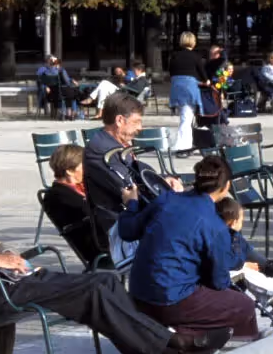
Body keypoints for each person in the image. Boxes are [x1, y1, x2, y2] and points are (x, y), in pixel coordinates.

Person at [0, 164, 224, 354]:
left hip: (7, 282)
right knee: (93, 288)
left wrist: (5, 253)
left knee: (104, 280)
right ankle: (171, 345)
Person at [117, 156, 259, 340]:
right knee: (244, 305)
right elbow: (218, 282)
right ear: (227, 186)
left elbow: (127, 231)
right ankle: (214, 341)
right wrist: (235, 241)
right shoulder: (215, 225)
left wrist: (132, 203)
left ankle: (181, 332)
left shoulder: (166, 200)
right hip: (169, 300)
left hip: (138, 293)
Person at [83, 92, 181, 246]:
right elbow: (128, 188)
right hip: (118, 224)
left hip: (132, 215)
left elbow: (135, 176)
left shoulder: (113, 144)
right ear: (120, 120)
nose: (140, 128)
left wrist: (162, 181)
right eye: (136, 122)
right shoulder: (101, 150)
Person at [216, 196, 273, 321]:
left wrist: (269, 266)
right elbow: (224, 260)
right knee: (245, 272)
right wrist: (243, 264)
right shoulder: (221, 237)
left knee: (249, 267)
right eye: (241, 220)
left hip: (229, 269)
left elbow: (247, 251)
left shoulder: (232, 235)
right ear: (233, 222)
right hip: (220, 275)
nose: (243, 223)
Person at [39, 144, 102, 266]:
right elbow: (91, 213)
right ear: (70, 170)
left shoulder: (81, 187)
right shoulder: (58, 195)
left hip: (105, 238)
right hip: (97, 247)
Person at [168, 31, 207, 151]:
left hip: (176, 88)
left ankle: (188, 143)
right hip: (189, 89)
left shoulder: (174, 56)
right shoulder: (196, 56)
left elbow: (171, 72)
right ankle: (181, 145)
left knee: (185, 117)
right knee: (186, 118)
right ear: (193, 42)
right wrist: (207, 81)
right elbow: (203, 75)